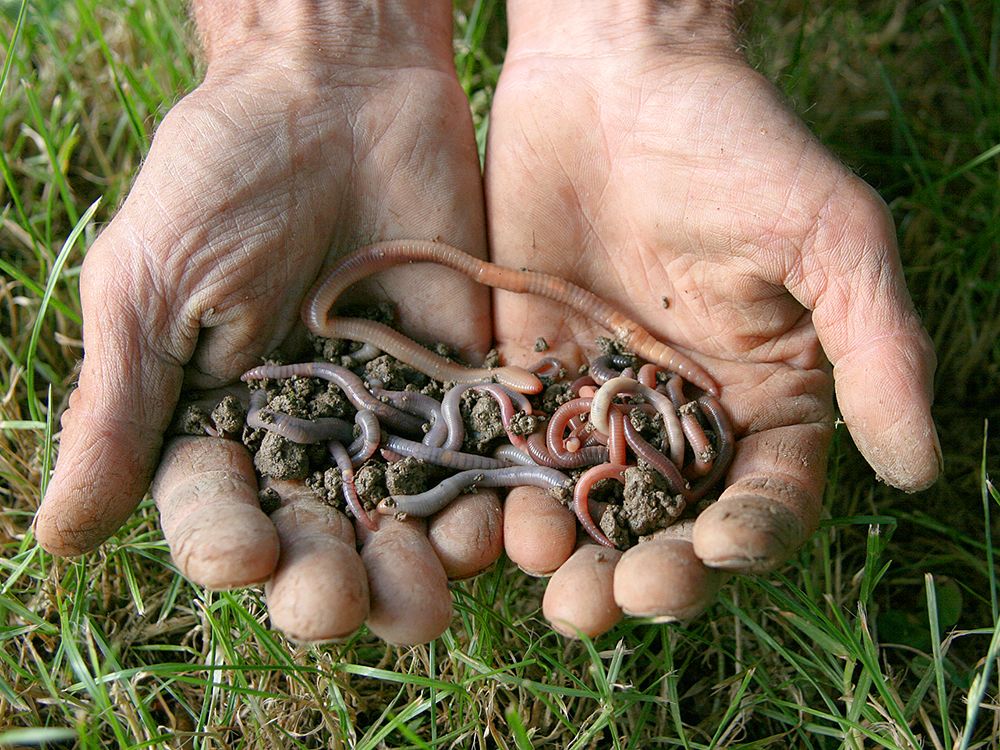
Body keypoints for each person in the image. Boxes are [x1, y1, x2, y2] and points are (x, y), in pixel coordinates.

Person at [32, 0, 941, 644]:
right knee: (389, 441)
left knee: (454, 446)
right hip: (466, 395)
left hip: (522, 401)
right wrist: (307, 44)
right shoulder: (487, 401)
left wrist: (644, 34)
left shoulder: (584, 407)